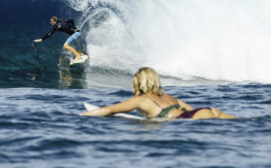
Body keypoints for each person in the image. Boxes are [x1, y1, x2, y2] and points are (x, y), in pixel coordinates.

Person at [81, 67, 237, 119]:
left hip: (194, 117)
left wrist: (82, 116)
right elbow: (190, 109)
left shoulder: (141, 99)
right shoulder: (169, 97)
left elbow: (109, 110)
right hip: (208, 111)